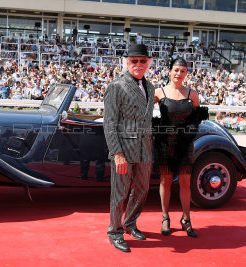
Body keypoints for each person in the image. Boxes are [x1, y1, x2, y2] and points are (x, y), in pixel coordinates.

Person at [103, 44, 155, 253]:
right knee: (120, 192)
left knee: (142, 190)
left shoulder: (150, 87)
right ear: (127, 62)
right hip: (123, 150)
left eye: (143, 61)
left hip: (145, 149)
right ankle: (115, 232)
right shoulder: (116, 86)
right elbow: (109, 123)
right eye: (134, 60)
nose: (138, 64)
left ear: (148, 63)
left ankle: (130, 223)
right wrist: (117, 154)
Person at [153, 57, 208, 238]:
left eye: (183, 71)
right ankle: (165, 217)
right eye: (176, 70)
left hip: (185, 145)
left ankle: (186, 218)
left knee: (185, 183)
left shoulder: (192, 94)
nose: (179, 73)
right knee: (165, 181)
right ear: (170, 71)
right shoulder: (159, 92)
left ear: (186, 73)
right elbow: (142, 110)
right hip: (165, 145)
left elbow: (197, 118)